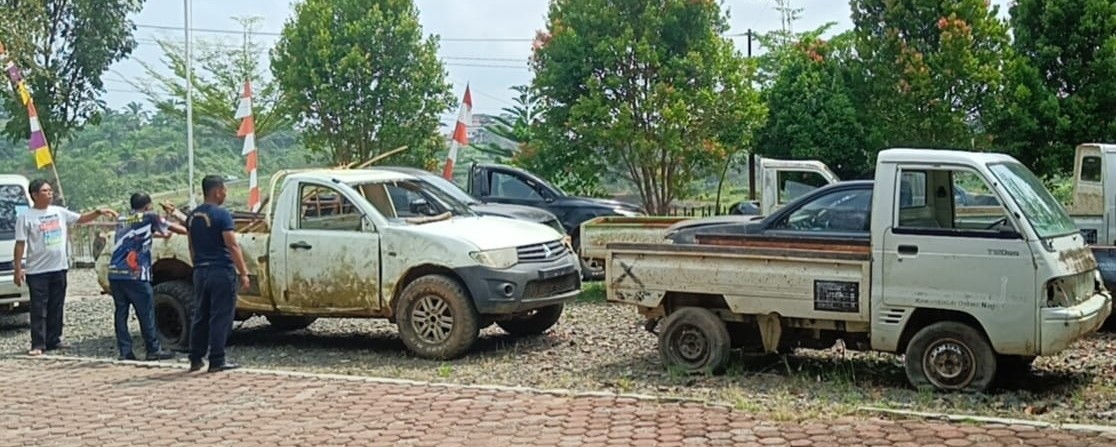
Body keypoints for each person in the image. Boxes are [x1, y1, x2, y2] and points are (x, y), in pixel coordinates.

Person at [14, 179, 117, 356]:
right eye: (45, 191)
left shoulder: (59, 212)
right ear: (35, 195)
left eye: (50, 190)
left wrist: (98, 212)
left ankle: (54, 340)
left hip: (59, 267)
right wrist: (18, 268)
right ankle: (38, 343)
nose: (50, 193)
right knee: (39, 308)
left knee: (57, 305)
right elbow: (20, 244)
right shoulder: (25, 217)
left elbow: (81, 219)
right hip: (37, 271)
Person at [106, 192, 187, 361]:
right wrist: (180, 220)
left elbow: (140, 235)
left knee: (121, 312)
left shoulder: (123, 218)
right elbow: (177, 230)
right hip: (135, 273)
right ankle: (153, 349)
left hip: (115, 272)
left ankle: (125, 351)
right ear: (148, 206)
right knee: (146, 312)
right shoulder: (150, 216)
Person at [187, 175, 250, 373]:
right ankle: (217, 359)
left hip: (200, 270)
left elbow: (191, 246)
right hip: (220, 270)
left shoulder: (192, 216)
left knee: (201, 314)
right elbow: (232, 245)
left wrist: (197, 265)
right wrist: (244, 272)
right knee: (220, 315)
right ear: (217, 191)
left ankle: (195, 357)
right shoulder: (222, 215)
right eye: (224, 190)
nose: (225, 194)